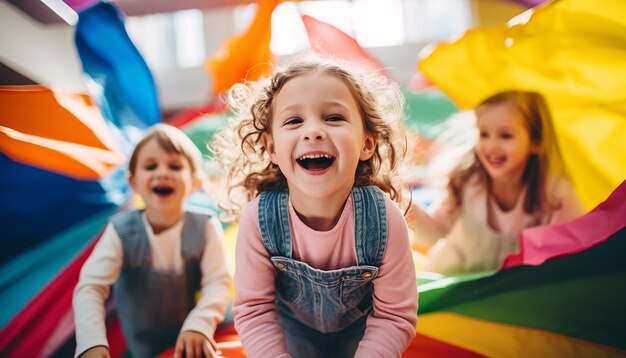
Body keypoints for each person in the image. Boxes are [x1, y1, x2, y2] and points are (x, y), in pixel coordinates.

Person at [212, 56, 417, 357]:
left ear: (367, 144)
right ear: (271, 148)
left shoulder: (384, 218)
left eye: (333, 118)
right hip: (289, 331)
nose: (313, 132)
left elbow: (394, 317)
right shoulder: (259, 219)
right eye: (295, 121)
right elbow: (255, 310)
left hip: (362, 335)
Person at [73, 124, 232, 358]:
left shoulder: (205, 226)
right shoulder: (121, 231)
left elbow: (217, 283)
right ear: (133, 181)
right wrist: (91, 342)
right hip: (146, 347)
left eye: (175, 166)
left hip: (198, 335)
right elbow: (91, 287)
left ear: (194, 181)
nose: (162, 173)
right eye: (151, 166)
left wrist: (200, 323)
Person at [408, 90, 586, 275]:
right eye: (484, 134)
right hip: (453, 282)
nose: (491, 145)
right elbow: (434, 231)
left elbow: (574, 253)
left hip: (510, 293)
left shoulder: (554, 194)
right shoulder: (468, 181)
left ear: (535, 141)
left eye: (505, 136)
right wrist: (404, 205)